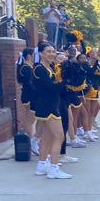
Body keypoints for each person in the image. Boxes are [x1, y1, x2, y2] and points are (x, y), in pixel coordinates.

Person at [32, 42, 73, 179]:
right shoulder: (39, 69)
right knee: (59, 137)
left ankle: (41, 165)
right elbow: (52, 87)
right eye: (48, 51)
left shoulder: (48, 67)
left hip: (49, 105)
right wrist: (66, 81)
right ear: (41, 53)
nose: (51, 54)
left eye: (53, 51)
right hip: (48, 107)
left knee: (47, 138)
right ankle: (53, 169)